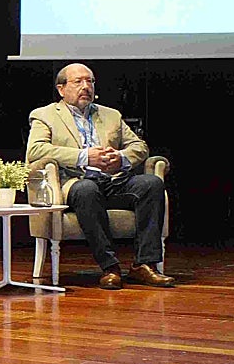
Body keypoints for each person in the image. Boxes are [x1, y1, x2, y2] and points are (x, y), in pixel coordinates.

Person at [26, 63, 174, 290]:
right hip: (76, 182)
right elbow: (35, 150)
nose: (86, 87)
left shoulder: (111, 115)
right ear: (61, 89)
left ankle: (144, 265)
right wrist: (85, 156)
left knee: (151, 184)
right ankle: (110, 267)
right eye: (78, 82)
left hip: (114, 181)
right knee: (87, 189)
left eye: (90, 81)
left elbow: (139, 146)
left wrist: (121, 158)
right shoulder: (45, 115)